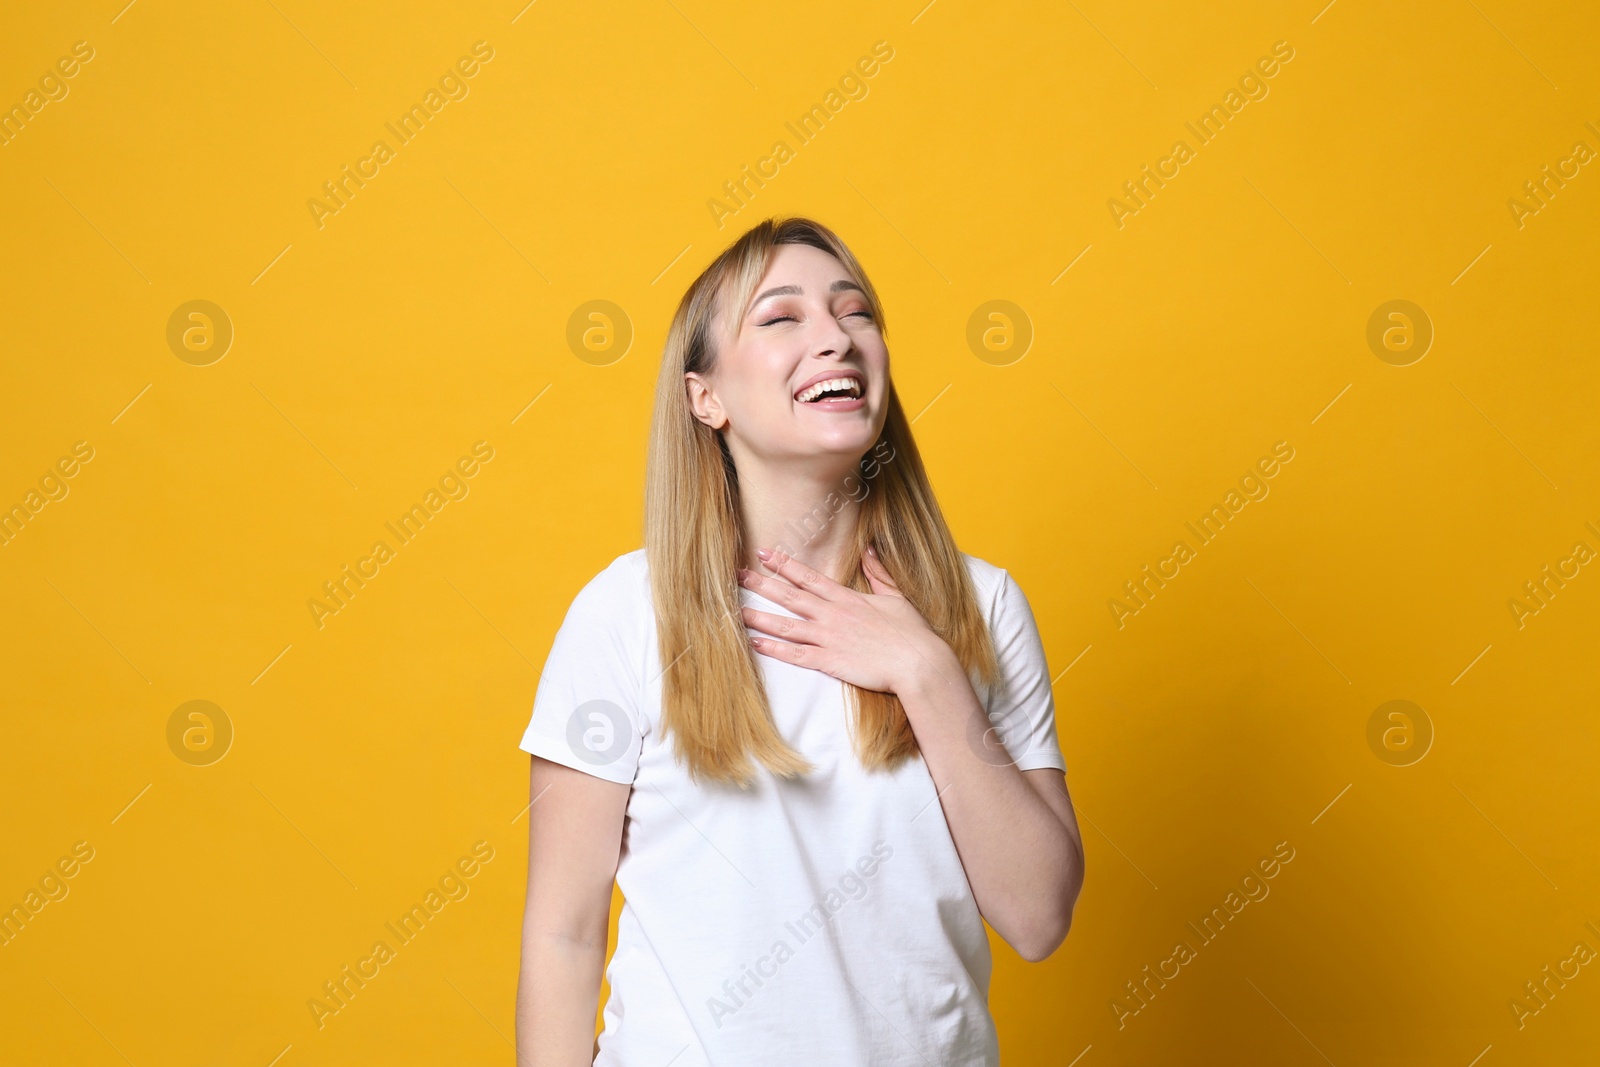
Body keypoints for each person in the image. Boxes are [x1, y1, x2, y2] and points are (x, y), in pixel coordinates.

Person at [515, 215, 1084, 1066]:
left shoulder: (982, 606)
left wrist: (925, 669)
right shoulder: (626, 613)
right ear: (704, 395)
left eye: (855, 313)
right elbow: (562, 936)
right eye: (781, 318)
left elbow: (1038, 915)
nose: (837, 338)